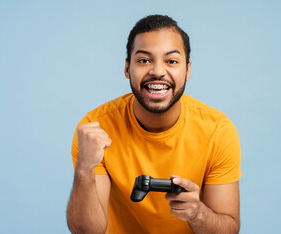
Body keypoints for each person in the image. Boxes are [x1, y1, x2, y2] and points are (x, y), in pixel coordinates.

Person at [66, 14, 242, 234]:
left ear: (187, 70)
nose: (158, 71)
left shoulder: (218, 131)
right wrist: (84, 168)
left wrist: (198, 214)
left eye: (171, 61)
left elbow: (229, 230)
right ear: (127, 68)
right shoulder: (95, 129)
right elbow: (87, 232)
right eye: (144, 60)